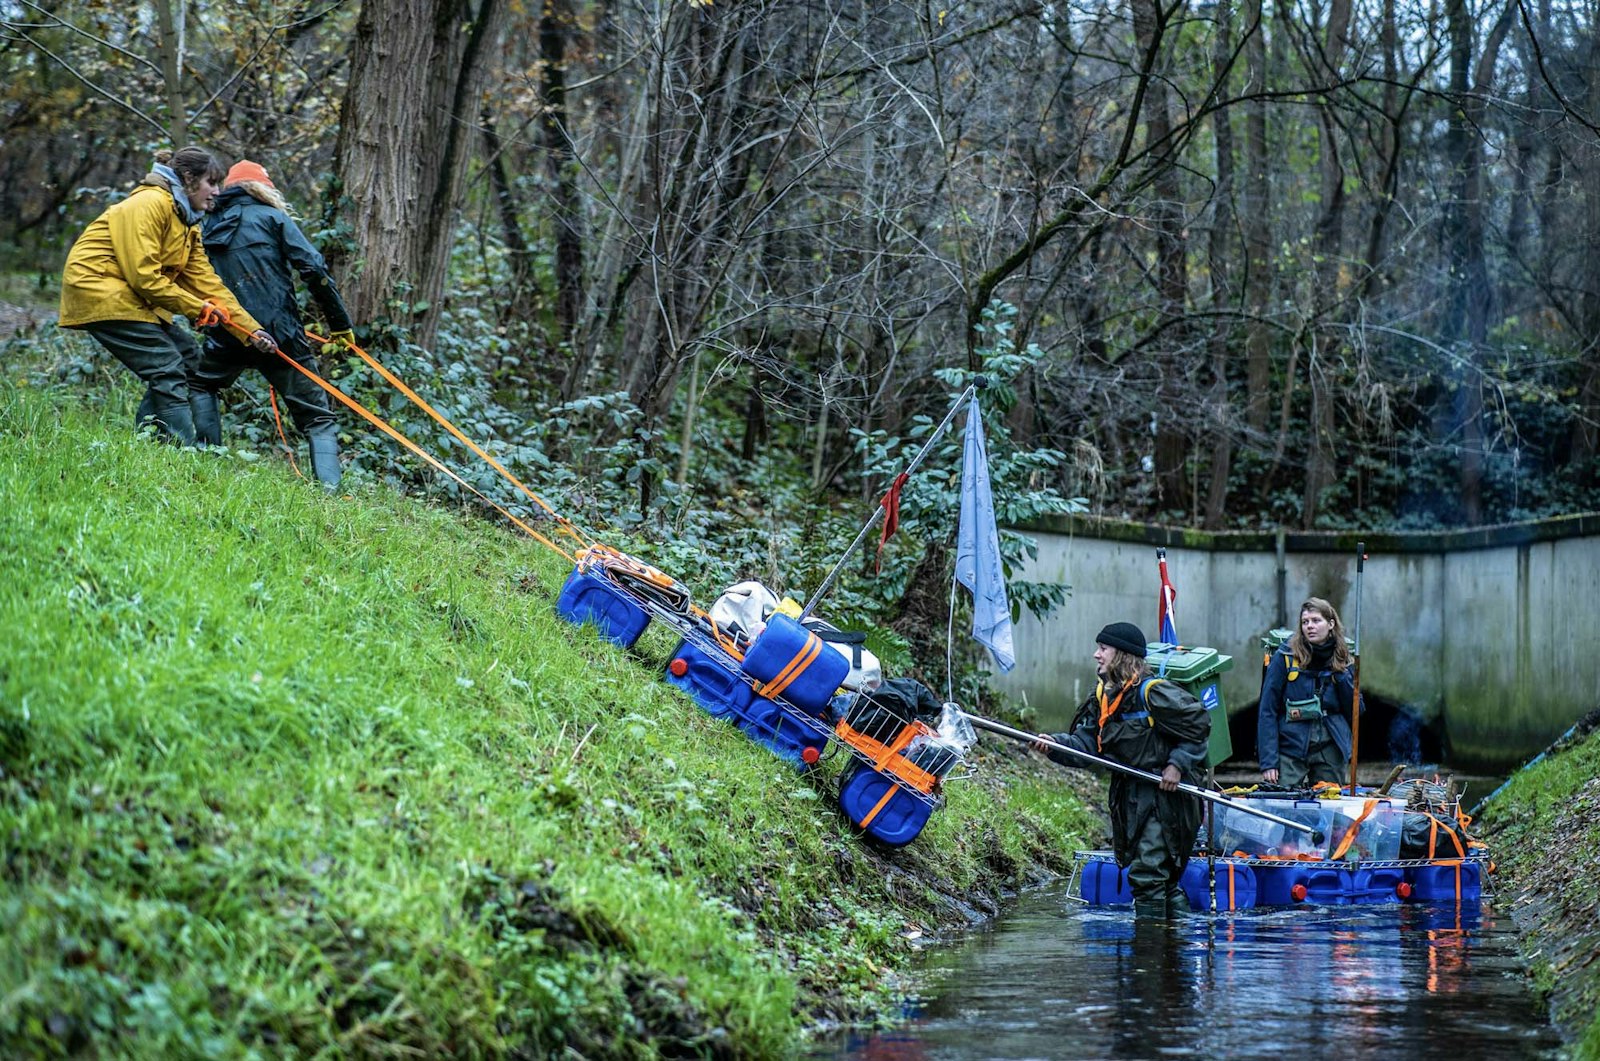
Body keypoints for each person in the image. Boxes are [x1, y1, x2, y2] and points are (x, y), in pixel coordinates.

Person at [59, 148, 275, 445]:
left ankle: (150, 443)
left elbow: (208, 284)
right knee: (167, 366)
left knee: (188, 359)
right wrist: (197, 308)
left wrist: (251, 330)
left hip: (132, 298)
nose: (217, 192)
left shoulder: (186, 222)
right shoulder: (148, 204)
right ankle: (180, 451)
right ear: (188, 179)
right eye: (211, 183)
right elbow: (144, 276)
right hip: (99, 289)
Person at [190, 160, 356, 488]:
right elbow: (313, 270)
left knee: (202, 385)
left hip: (229, 329)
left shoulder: (205, 225)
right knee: (318, 418)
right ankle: (331, 494)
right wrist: (339, 324)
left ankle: (207, 460)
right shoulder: (274, 218)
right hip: (280, 334)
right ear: (262, 188)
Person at [1035, 622, 1211, 920]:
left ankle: (1149, 956)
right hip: (1130, 797)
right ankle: (1175, 948)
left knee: (1148, 875)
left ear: (1123, 655)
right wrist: (1055, 745)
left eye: (1103, 649)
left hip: (1168, 798)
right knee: (1162, 882)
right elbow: (1087, 745)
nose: (1096, 655)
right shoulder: (1103, 698)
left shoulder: (1154, 694)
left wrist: (1177, 764)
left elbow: (1200, 726)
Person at [1257, 596, 1360, 789]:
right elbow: (1267, 710)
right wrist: (1268, 761)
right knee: (1280, 803)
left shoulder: (1343, 656)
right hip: (1291, 746)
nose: (1309, 626)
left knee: (1329, 808)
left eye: (1316, 621)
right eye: (1305, 622)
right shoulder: (1285, 656)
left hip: (1330, 746)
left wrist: (1342, 675)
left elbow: (1356, 710)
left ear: (1330, 624)